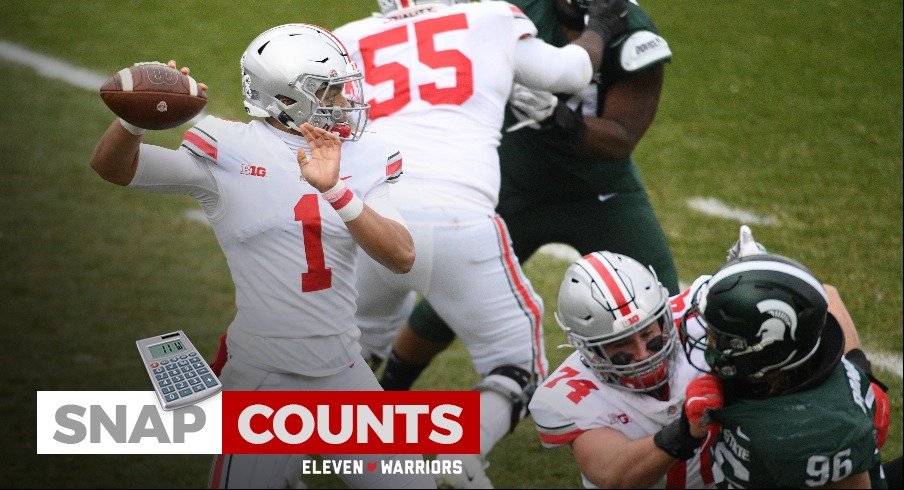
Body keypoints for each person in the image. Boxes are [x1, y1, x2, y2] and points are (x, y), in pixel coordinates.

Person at [90, 24, 435, 489]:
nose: (344, 101)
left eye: (342, 87)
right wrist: (135, 119)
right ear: (285, 97)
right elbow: (113, 168)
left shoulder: (365, 153)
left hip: (343, 369)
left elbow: (401, 256)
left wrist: (337, 191)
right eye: (328, 91)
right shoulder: (230, 149)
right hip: (265, 375)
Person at [332, 0, 633, 487]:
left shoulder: (346, 39)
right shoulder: (491, 17)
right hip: (459, 218)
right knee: (516, 365)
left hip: (369, 218)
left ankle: (286, 462)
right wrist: (600, 24)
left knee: (345, 352)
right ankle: (465, 456)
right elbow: (572, 72)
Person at [372, 0, 680, 412]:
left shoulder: (634, 35)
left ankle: (679, 406)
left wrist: (560, 119)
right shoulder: (516, 12)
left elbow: (620, 138)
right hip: (514, 190)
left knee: (662, 303)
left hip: (599, 194)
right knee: (449, 302)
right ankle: (387, 391)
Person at [679, 240, 891, 488]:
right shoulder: (802, 348)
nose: (708, 340)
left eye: (720, 336)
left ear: (763, 348)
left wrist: (684, 433)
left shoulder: (811, 434)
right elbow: (827, 294)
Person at [527, 250, 715, 489]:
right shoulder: (570, 392)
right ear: (591, 349)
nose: (642, 354)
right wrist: (686, 431)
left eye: (648, 334)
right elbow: (613, 474)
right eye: (621, 344)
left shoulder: (698, 319)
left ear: (663, 320)